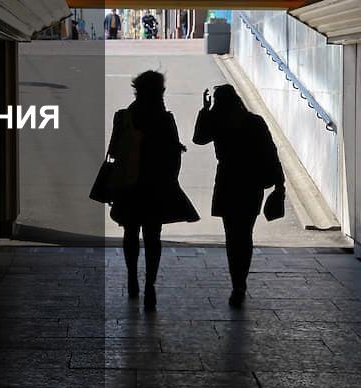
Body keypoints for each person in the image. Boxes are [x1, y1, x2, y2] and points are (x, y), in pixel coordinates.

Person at [107, 71, 199, 310]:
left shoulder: (123, 116)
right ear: (160, 92)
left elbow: (113, 152)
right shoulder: (165, 119)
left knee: (130, 232)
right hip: (156, 186)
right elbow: (174, 155)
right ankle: (150, 284)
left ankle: (132, 278)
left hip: (129, 186)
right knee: (152, 237)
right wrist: (170, 181)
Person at [193, 84, 284, 307]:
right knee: (245, 234)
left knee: (232, 236)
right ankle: (241, 282)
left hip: (227, 182)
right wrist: (279, 183)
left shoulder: (218, 121)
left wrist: (205, 110)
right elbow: (271, 152)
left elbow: (199, 138)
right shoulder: (255, 122)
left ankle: (237, 283)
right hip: (251, 184)